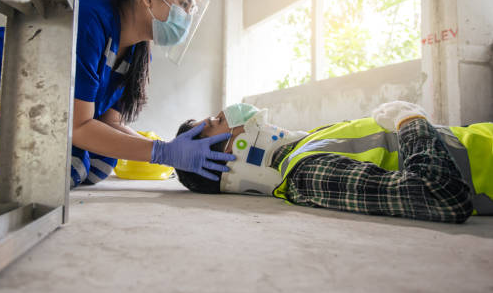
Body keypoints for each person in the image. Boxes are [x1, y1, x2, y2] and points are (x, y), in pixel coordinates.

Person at [0, 0, 234, 191]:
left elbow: (108, 122)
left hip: (35, 114)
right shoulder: (89, 21)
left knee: (101, 162)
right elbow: (79, 127)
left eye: (192, 9)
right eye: (185, 3)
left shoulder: (136, 53)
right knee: (69, 168)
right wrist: (161, 152)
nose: (188, 16)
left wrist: (168, 152)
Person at [174, 101, 493, 223]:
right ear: (231, 154)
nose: (230, 111)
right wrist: (411, 122)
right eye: (220, 119)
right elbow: (441, 196)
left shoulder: (307, 141)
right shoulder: (307, 173)